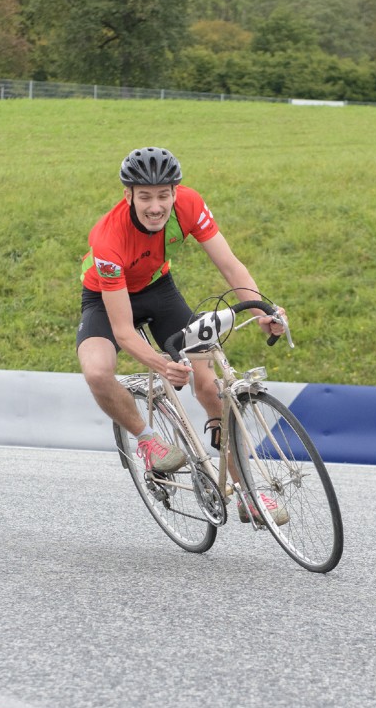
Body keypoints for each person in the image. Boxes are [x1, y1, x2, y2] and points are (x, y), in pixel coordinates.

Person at [76, 146, 288, 524]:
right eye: (145, 197)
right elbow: (123, 331)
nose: (156, 206)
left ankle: (248, 495)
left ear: (175, 192)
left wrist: (263, 312)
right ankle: (147, 441)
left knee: (211, 388)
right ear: (128, 196)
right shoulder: (108, 238)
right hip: (105, 299)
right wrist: (162, 365)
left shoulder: (189, 204)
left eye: (163, 195)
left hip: (159, 291)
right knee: (96, 371)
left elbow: (230, 266)